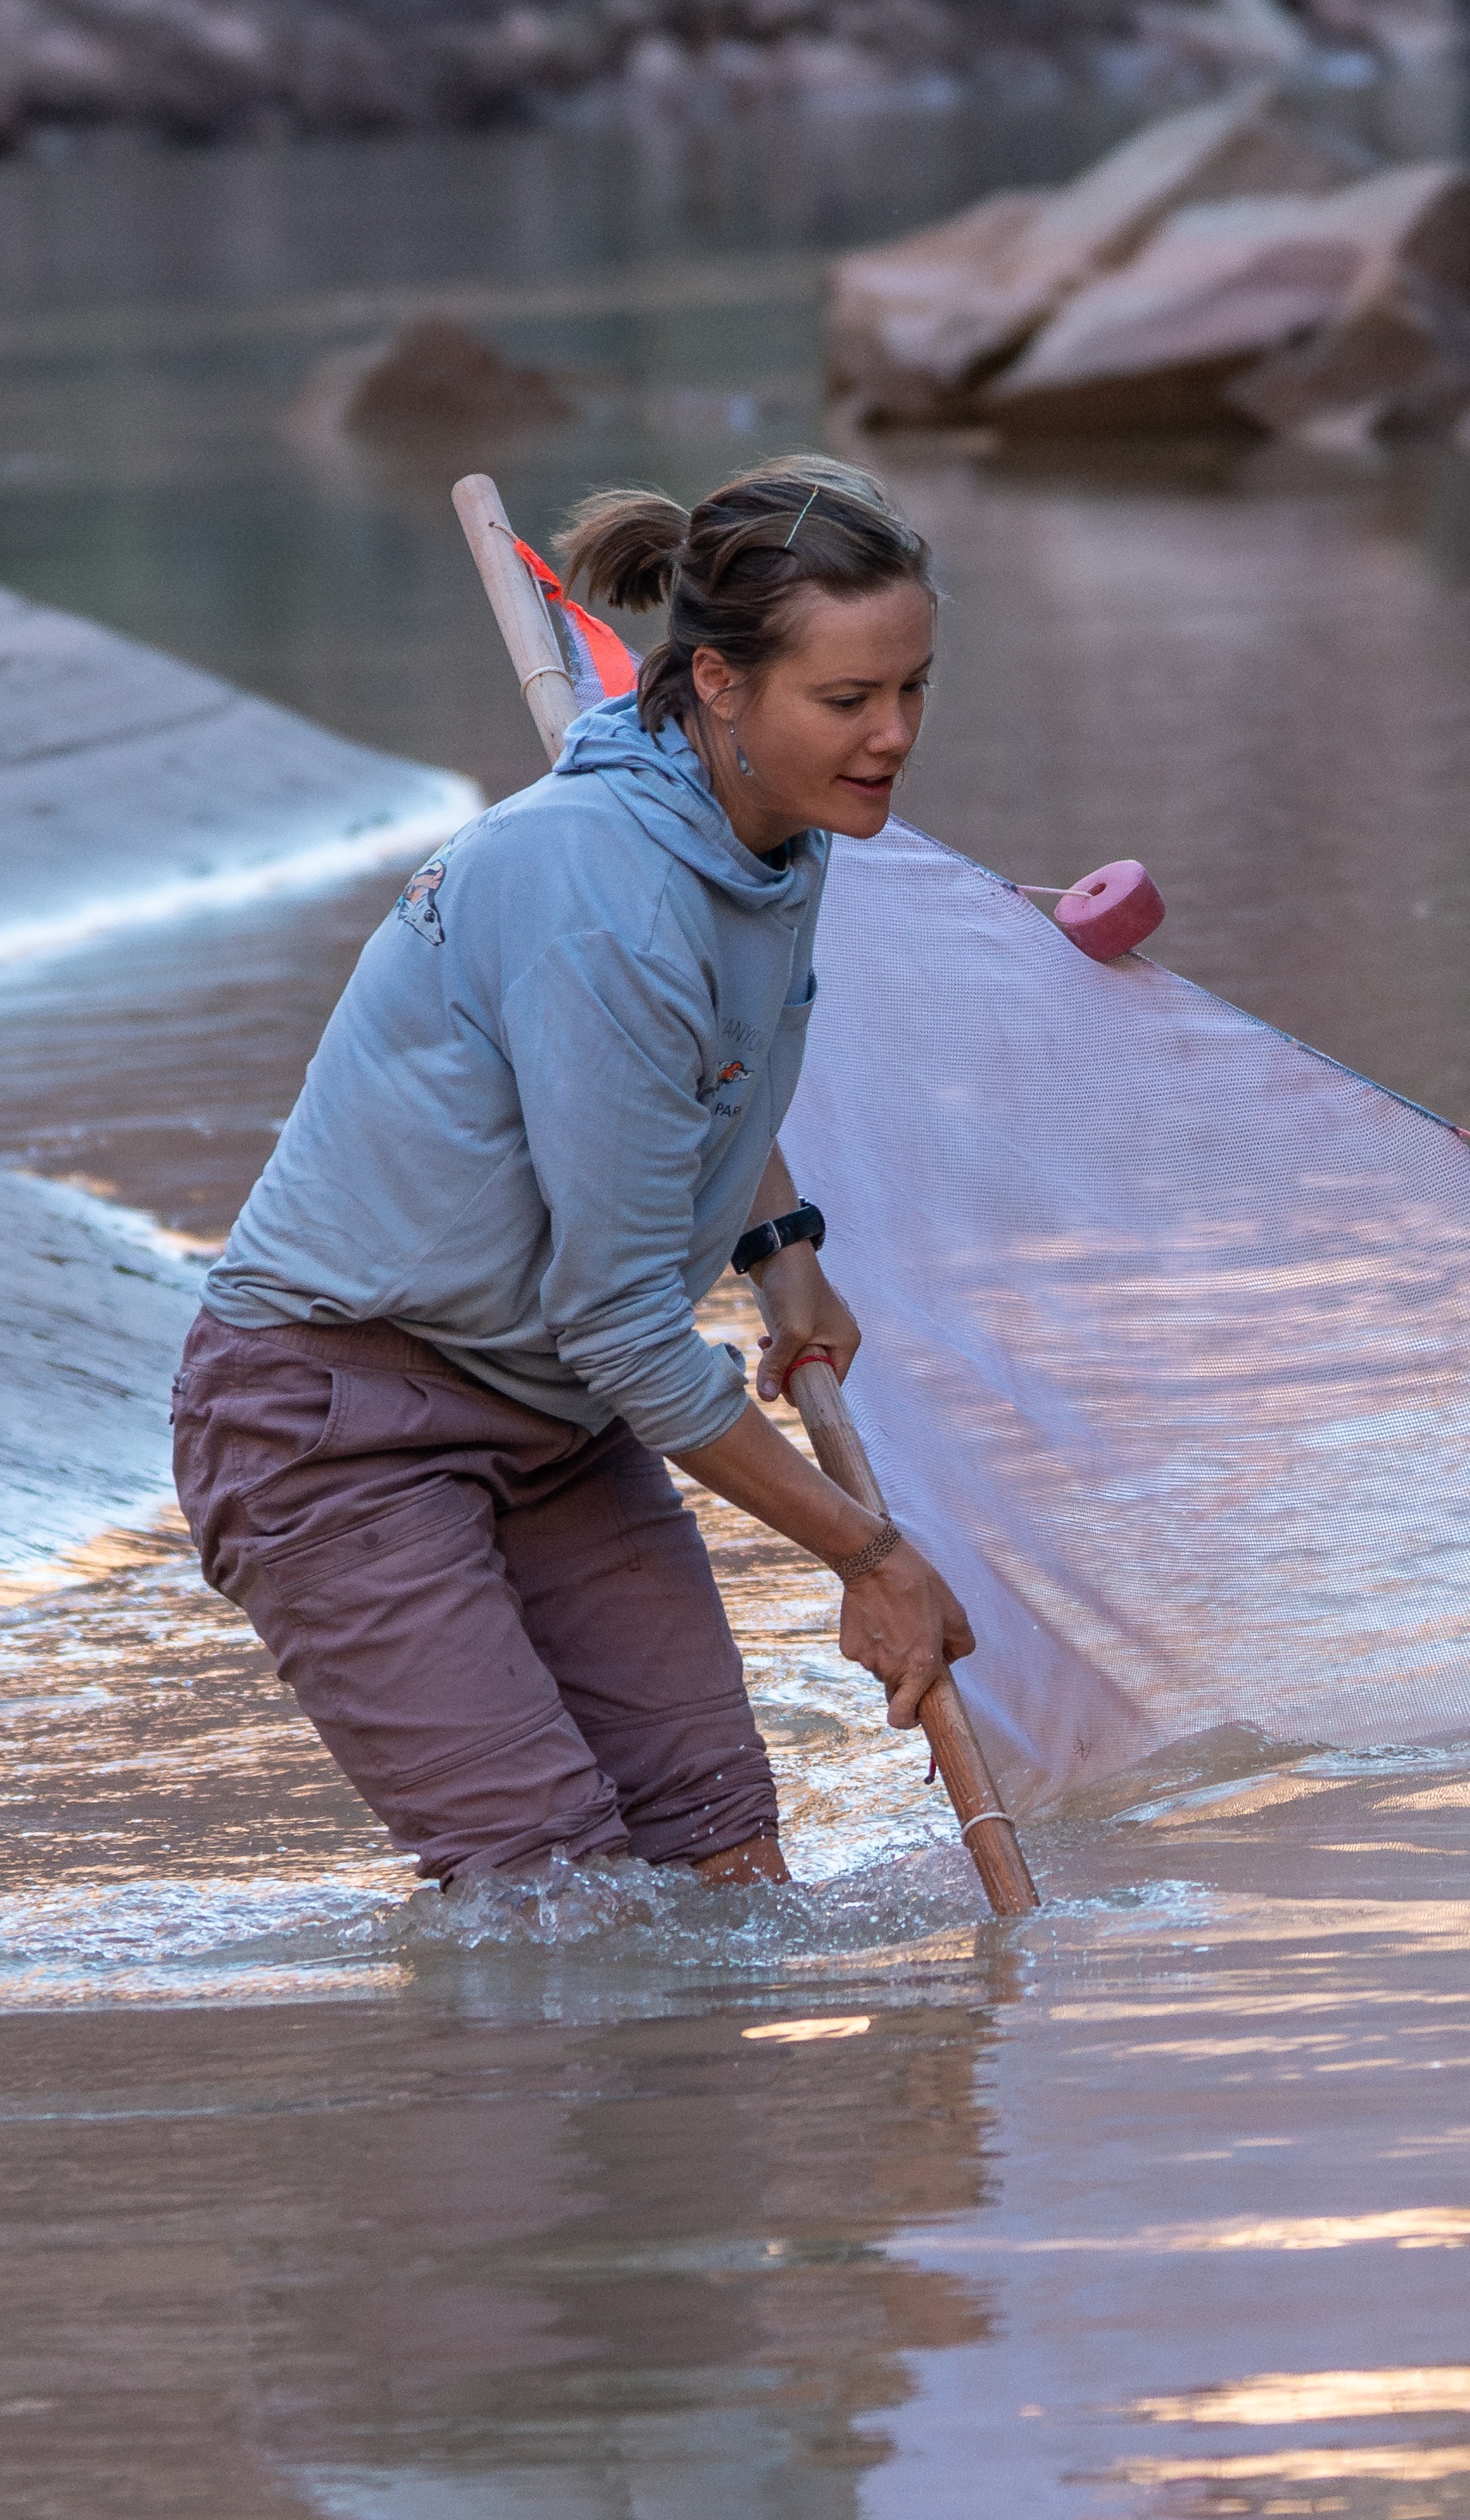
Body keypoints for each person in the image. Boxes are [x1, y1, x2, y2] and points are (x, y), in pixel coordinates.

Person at [172, 454, 974, 1888]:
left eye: (910, 688)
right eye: (846, 702)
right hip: (339, 1417)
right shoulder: (596, 888)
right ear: (718, 685)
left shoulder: (771, 827)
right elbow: (617, 1323)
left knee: (725, 1865)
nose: (891, 735)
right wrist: (868, 1555)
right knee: (555, 1900)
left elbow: (701, 1078)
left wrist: (780, 1243)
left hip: (554, 1410)